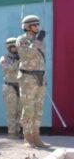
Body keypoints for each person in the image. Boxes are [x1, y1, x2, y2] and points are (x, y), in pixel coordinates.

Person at [16, 15, 50, 148]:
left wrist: (44, 77)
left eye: (38, 24)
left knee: (39, 108)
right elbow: (26, 56)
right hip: (28, 78)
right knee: (29, 108)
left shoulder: (40, 40)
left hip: (40, 77)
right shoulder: (22, 40)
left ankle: (36, 136)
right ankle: (28, 137)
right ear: (27, 27)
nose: (37, 27)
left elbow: (42, 60)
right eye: (35, 25)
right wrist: (37, 41)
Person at [0, 37, 22, 139]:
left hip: (21, 86)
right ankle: (12, 132)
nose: (16, 48)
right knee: (11, 111)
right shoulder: (4, 58)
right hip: (10, 87)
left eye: (17, 46)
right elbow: (8, 69)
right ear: (9, 47)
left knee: (20, 111)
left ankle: (19, 131)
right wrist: (17, 61)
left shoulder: (22, 57)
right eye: (13, 47)